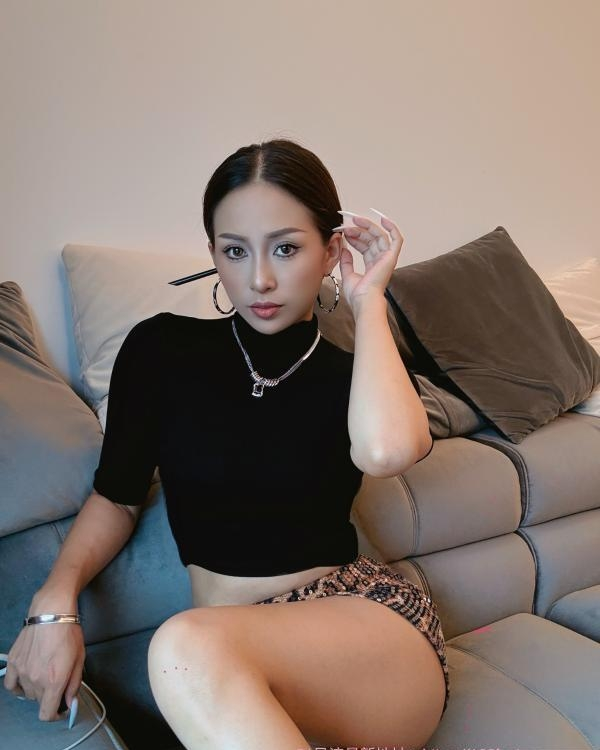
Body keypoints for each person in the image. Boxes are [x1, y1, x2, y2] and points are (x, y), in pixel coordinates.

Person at [4, 138, 448, 749]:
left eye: (286, 248)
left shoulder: (357, 374)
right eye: (234, 250)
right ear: (212, 252)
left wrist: (368, 300)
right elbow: (116, 496)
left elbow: (386, 453)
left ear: (330, 252)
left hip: (361, 629)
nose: (259, 279)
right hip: (226, 651)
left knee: (181, 645)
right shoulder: (161, 351)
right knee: (190, 650)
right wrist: (53, 604)